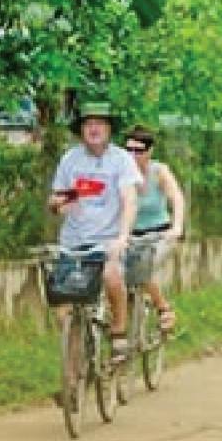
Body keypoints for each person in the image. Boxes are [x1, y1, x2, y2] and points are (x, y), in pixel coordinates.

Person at [47, 101, 140, 351]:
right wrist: (58, 202)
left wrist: (122, 237)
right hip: (73, 241)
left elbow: (130, 200)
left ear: (109, 129)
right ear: (81, 129)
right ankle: (75, 360)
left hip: (108, 240)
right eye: (88, 124)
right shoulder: (70, 159)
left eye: (99, 123)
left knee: (112, 275)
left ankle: (119, 331)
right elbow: (57, 198)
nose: (94, 129)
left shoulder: (122, 160)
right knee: (61, 301)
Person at [122, 125, 186, 338]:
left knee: (142, 268)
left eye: (138, 151)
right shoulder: (119, 174)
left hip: (159, 235)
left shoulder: (158, 171)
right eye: (128, 150)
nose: (132, 155)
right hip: (130, 236)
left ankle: (163, 309)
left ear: (149, 151)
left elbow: (176, 198)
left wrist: (177, 227)